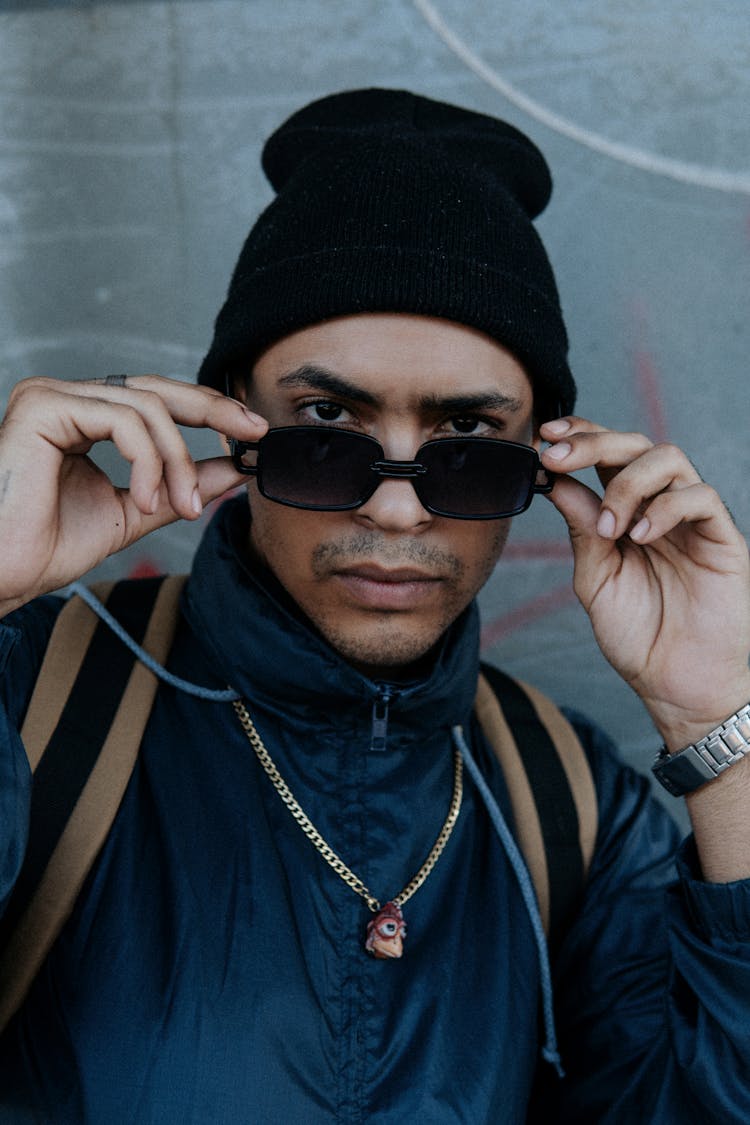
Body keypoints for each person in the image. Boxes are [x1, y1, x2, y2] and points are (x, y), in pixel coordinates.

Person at [0, 87, 748, 1124]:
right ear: (227, 429)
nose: (397, 510)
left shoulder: (572, 803)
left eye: (469, 448)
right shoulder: (35, 702)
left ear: (548, 463)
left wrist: (724, 726)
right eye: (325, 428)